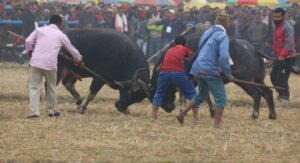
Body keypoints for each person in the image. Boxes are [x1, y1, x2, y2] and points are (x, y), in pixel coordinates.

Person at [176, 14, 233, 128]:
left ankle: (182, 114)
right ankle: (217, 125)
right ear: (227, 24)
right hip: (209, 70)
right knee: (221, 98)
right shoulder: (222, 36)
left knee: (202, 94)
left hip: (198, 68)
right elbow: (223, 57)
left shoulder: (207, 33)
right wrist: (228, 74)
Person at [24, 15, 84, 119]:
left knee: (34, 87)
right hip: (50, 64)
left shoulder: (39, 30)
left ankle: (34, 113)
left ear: (49, 21)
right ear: (60, 24)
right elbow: (72, 49)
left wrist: (30, 52)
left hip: (35, 62)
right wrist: (79, 60)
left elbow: (28, 41)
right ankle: (50, 111)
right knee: (52, 87)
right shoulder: (61, 35)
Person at [152, 36, 196, 121]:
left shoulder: (169, 50)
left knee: (159, 93)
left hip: (164, 73)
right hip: (179, 73)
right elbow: (192, 58)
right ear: (185, 44)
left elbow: (162, 63)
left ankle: (154, 117)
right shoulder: (186, 49)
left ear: (175, 43)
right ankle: (195, 118)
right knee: (193, 95)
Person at [270, 8, 297, 102]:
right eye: (274, 16)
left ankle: (285, 96)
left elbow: (289, 44)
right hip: (279, 56)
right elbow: (276, 42)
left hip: (288, 57)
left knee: (282, 78)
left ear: (283, 16)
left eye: (278, 17)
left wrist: (282, 56)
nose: (276, 18)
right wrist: (275, 56)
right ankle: (281, 93)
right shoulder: (275, 25)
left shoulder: (288, 27)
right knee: (273, 77)